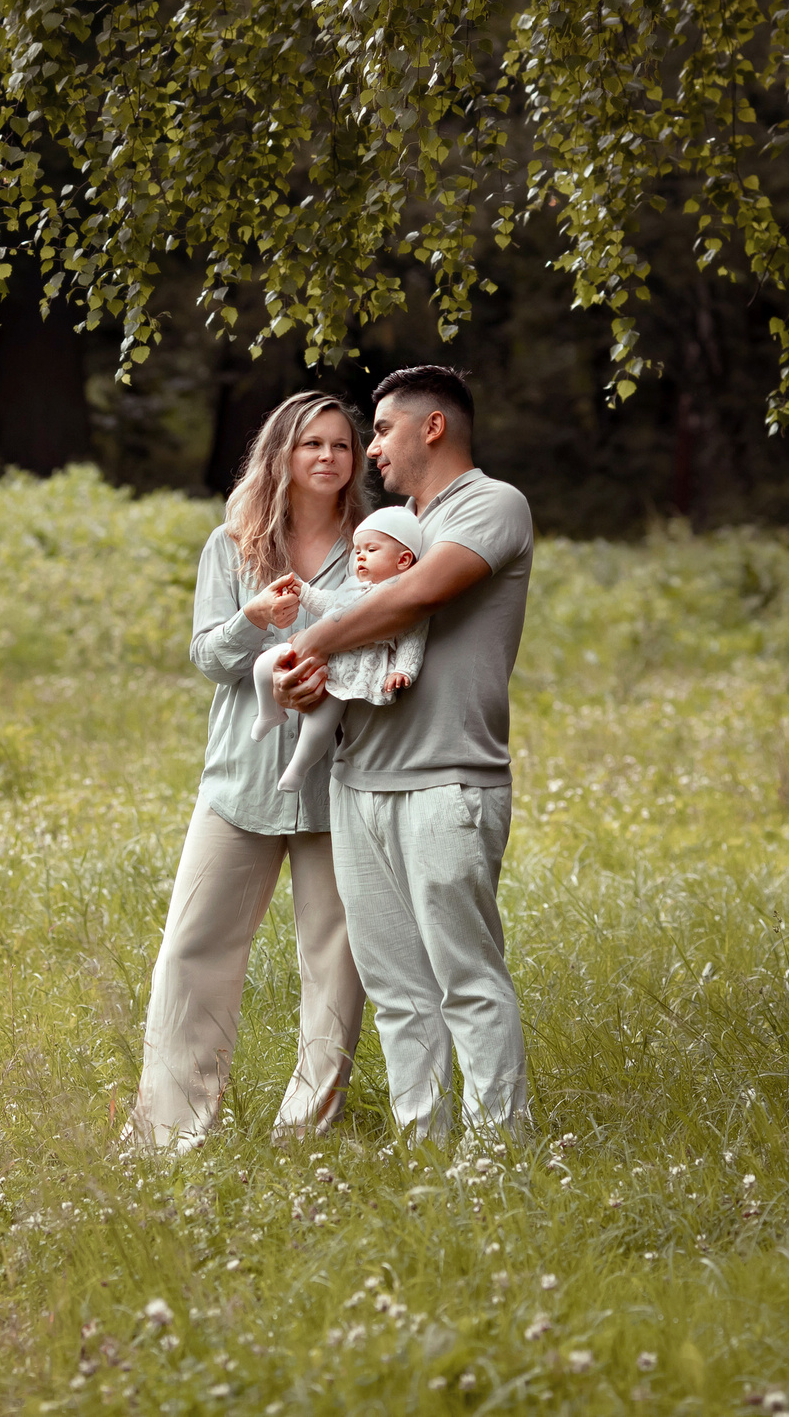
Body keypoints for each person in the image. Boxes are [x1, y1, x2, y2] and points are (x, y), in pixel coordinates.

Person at [273, 365, 535, 1143]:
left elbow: (418, 595)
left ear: (433, 427)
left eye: (383, 428)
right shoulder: (386, 530)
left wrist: (312, 643)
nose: (371, 447)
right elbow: (354, 632)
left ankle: (497, 1155)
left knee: (466, 980)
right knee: (395, 988)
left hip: (448, 782)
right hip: (356, 781)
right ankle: (425, 1145)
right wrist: (301, 677)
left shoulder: (492, 504)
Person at [123, 392, 370, 1151]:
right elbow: (208, 656)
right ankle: (170, 1130)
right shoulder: (231, 545)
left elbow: (390, 645)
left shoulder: (376, 543)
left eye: (341, 444)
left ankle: (307, 1130)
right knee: (192, 948)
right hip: (240, 778)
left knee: (335, 962)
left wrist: (328, 674)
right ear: (281, 454)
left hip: (338, 779)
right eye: (311, 444)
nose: (328, 457)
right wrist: (252, 620)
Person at [249, 508, 431, 793]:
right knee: (263, 664)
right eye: (357, 551)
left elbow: (413, 639)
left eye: (371, 550)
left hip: (348, 672)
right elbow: (328, 602)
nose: (360, 557)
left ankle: (297, 769)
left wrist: (403, 670)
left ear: (403, 560)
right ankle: (269, 712)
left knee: (320, 722)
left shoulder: (400, 600)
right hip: (315, 654)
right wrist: (303, 591)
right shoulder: (352, 587)